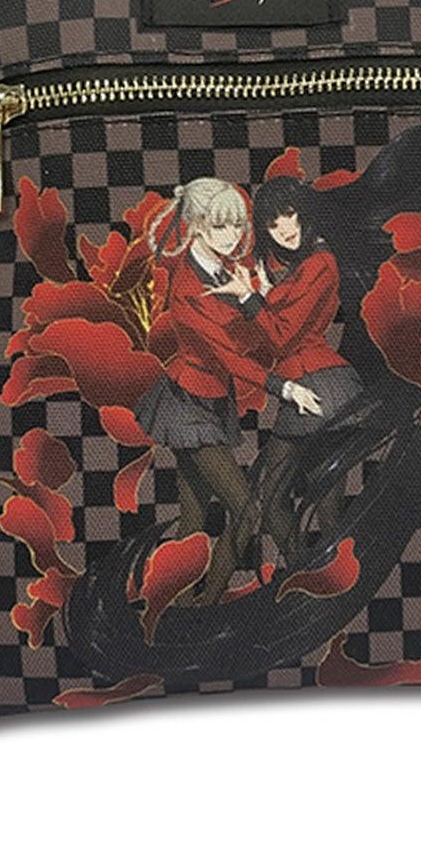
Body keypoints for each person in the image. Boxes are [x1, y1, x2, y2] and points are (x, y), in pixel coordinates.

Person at [135, 180, 320, 603]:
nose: (232, 236)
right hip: (187, 405)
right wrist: (285, 388)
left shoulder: (224, 270)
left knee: (193, 521)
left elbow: (244, 339)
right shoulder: (187, 287)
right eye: (220, 227)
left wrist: (257, 299)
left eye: (237, 225)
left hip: (210, 403)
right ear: (196, 225)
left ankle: (172, 607)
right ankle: (204, 605)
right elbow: (228, 356)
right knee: (248, 512)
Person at [206, 176, 367, 568]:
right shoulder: (294, 264)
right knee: (318, 496)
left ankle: (307, 572)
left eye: (290, 215)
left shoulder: (320, 262)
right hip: (316, 383)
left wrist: (250, 298)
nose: (285, 229)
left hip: (317, 383)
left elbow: (280, 337)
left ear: (303, 213)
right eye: (273, 223)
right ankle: (317, 575)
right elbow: (271, 327)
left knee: (277, 494)